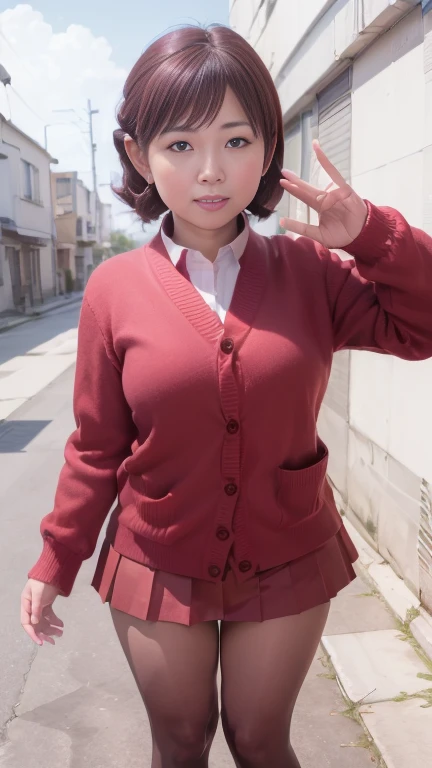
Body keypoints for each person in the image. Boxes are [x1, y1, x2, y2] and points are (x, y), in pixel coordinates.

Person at [21, 24, 432, 768]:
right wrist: (56, 560)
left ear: (269, 148)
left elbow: (421, 325)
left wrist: (370, 236)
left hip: (287, 552)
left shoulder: (311, 271)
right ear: (139, 155)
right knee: (179, 742)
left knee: (259, 739)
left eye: (237, 140)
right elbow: (95, 443)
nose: (212, 170)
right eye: (180, 145)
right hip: (157, 557)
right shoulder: (113, 288)